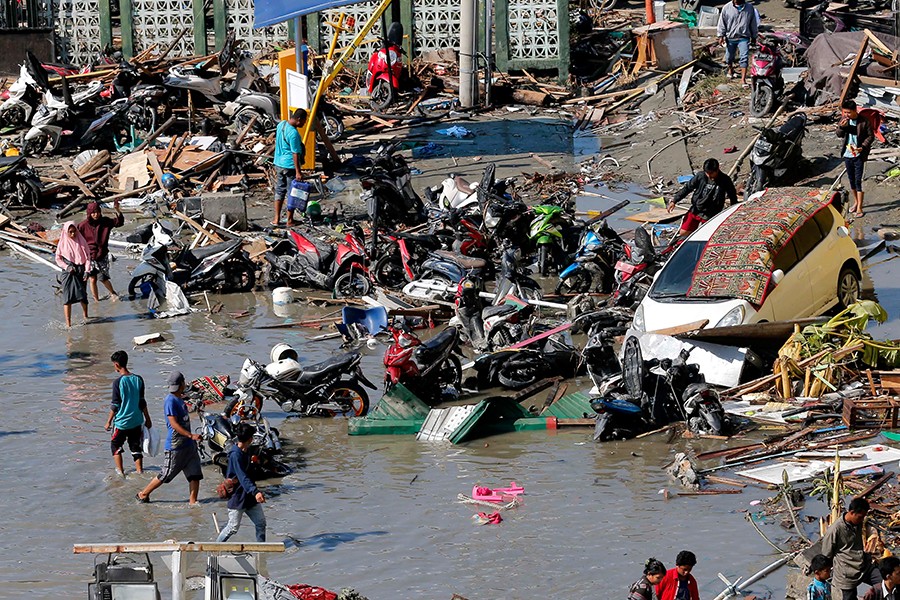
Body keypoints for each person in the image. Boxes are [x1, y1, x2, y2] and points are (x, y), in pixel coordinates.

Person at [136, 372, 203, 504]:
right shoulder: (170, 400)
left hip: (189, 446)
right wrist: (191, 435)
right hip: (176, 446)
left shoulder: (180, 399)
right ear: (182, 384)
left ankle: (193, 503)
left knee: (195, 475)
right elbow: (173, 424)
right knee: (166, 474)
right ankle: (143, 494)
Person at [215, 422, 267, 543]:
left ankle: (261, 551)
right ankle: (215, 549)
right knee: (232, 528)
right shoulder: (235, 455)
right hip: (238, 497)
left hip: (249, 498)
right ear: (250, 439)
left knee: (261, 523)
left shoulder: (246, 451)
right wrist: (256, 492)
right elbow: (243, 477)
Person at [822, 497, 883, 600]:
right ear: (851, 512)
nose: (862, 520)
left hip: (864, 565)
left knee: (886, 582)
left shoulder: (858, 523)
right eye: (860, 517)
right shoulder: (834, 531)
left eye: (863, 517)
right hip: (846, 573)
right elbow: (826, 555)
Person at [104, 350, 151, 478]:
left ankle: (120, 473)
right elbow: (142, 402)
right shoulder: (138, 379)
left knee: (115, 446)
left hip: (122, 423)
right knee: (135, 447)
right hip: (136, 420)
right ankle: (140, 472)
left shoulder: (117, 383)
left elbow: (115, 405)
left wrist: (108, 421)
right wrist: (147, 418)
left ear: (117, 365)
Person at [667, 158, 738, 238]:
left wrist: (734, 212)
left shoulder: (725, 180)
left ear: (717, 170)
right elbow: (687, 188)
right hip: (696, 209)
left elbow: (732, 196)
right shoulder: (700, 176)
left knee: (705, 236)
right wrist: (674, 200)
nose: (709, 175)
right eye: (707, 173)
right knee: (683, 233)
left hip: (711, 214)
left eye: (711, 173)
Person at [77, 199, 124, 301]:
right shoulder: (82, 226)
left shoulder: (105, 222)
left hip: (102, 255)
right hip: (89, 256)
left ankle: (113, 293)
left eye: (97, 212)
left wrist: (117, 210)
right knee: (92, 279)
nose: (96, 215)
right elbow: (76, 239)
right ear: (89, 213)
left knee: (103, 278)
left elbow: (119, 222)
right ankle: (96, 300)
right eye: (93, 213)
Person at [837, 99, 875, 218]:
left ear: (855, 111)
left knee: (858, 181)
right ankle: (856, 202)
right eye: (845, 112)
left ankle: (859, 207)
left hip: (858, 155)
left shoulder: (864, 121)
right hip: (848, 154)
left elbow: (870, 136)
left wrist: (862, 147)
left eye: (849, 113)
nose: (846, 115)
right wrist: (841, 127)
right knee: (851, 180)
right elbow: (839, 134)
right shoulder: (844, 121)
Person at [272, 108, 308, 227]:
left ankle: (276, 219)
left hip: (278, 163)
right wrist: (298, 172)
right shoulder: (294, 134)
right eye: (304, 121)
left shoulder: (281, 124)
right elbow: (295, 153)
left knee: (279, 191)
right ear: (298, 119)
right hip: (289, 166)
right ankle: (289, 220)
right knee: (291, 193)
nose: (304, 123)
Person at [55, 222, 92, 328]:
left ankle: (86, 316)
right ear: (66, 232)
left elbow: (88, 257)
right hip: (68, 272)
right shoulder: (62, 243)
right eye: (70, 232)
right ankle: (68, 324)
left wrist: (87, 271)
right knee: (67, 298)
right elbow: (58, 258)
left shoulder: (81, 240)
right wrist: (67, 267)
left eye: (74, 231)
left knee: (83, 296)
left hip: (80, 270)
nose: (72, 234)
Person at [716, 0, 758, 86]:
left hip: (744, 37)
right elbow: (722, 23)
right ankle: (731, 69)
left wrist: (754, 36)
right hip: (731, 37)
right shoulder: (727, 8)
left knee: (744, 57)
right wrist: (721, 36)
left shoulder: (749, 8)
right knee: (729, 58)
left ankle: (743, 79)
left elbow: (753, 23)